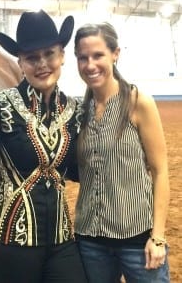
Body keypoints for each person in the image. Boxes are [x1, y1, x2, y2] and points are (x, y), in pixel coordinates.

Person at [0, 10, 87, 283]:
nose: (42, 64)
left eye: (49, 54)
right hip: (9, 243)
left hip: (61, 239)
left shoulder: (75, 110)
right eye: (31, 58)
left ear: (62, 55)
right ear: (21, 63)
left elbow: (76, 170)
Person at [73, 22, 170, 283]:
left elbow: (160, 172)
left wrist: (157, 238)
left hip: (138, 241)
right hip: (90, 241)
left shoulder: (138, 102)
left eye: (98, 55)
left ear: (115, 54)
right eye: (83, 58)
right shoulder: (79, 112)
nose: (90, 65)